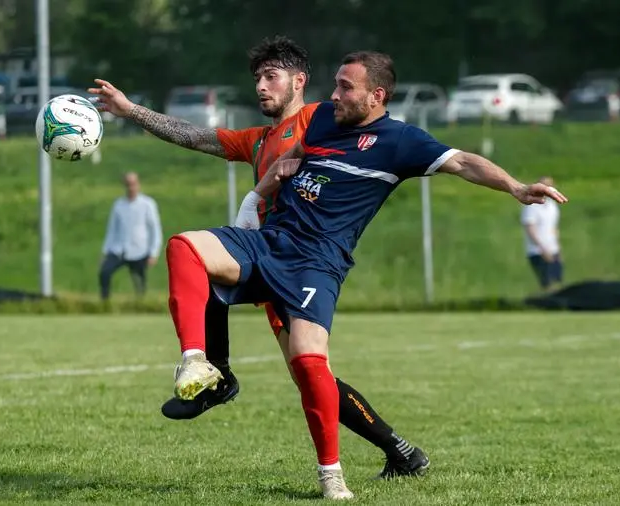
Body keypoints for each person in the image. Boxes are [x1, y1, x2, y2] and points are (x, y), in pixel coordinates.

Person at [136, 51, 568, 499]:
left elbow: (464, 163)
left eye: (346, 87)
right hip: (272, 241)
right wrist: (257, 196)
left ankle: (334, 474)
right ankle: (200, 363)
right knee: (185, 248)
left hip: (316, 263)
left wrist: (516, 186)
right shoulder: (323, 119)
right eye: (336, 83)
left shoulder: (400, 141)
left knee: (308, 364)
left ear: (376, 96)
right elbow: (293, 157)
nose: (335, 94)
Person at [89, 37, 429, 482]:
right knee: (199, 265)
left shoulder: (322, 119)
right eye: (257, 79)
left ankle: (398, 450)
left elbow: (369, 135)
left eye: (272, 77)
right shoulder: (260, 140)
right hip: (264, 257)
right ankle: (219, 375)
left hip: (303, 264)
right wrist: (132, 110)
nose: (261, 87)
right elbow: (196, 136)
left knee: (310, 375)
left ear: (299, 81)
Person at [99, 172, 162, 301]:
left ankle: (141, 304)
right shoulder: (118, 205)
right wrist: (105, 251)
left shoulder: (147, 204)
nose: (131, 187)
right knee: (104, 272)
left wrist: (153, 252)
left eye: (133, 184)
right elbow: (112, 230)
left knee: (139, 282)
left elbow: (155, 230)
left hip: (140, 250)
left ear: (138, 185)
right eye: (128, 184)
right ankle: (104, 302)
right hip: (119, 250)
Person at [520, 176, 563, 292]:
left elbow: (554, 227)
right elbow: (530, 229)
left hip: (553, 249)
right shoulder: (532, 206)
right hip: (538, 250)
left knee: (558, 280)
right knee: (547, 282)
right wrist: (542, 248)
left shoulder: (552, 205)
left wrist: (557, 247)